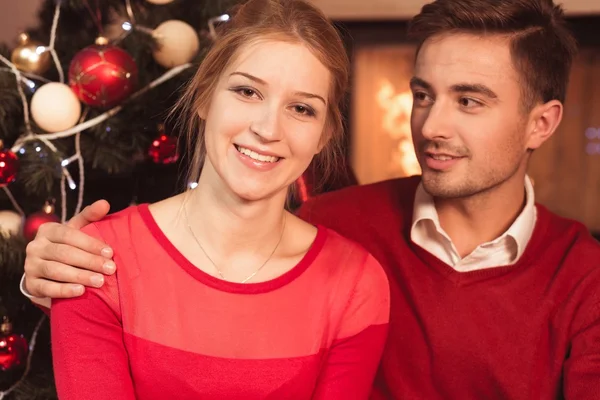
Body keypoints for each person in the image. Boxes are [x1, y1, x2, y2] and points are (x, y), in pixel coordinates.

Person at [23, 0, 600, 398]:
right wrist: (44, 268)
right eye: (423, 95)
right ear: (204, 98)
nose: (430, 126)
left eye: (470, 101)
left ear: (541, 124)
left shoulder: (586, 282)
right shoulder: (339, 222)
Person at [26, 0, 391, 398]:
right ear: (204, 97)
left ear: (323, 134)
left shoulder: (356, 284)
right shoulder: (95, 260)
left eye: (302, 108)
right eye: (247, 91)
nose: (268, 129)